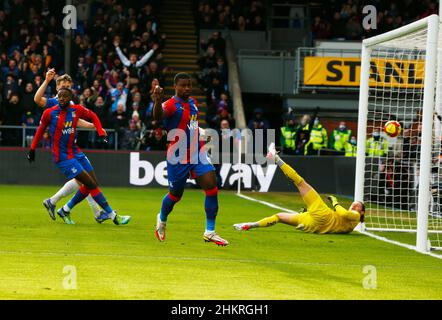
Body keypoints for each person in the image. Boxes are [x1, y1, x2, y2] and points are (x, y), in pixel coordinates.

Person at [27, 88, 131, 226]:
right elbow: (40, 130)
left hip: (75, 151)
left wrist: (100, 131)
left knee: (92, 182)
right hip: (63, 156)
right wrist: (32, 149)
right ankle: (113, 216)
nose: (62, 99)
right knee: (90, 184)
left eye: (65, 96)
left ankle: (65, 209)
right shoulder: (49, 113)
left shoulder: (76, 110)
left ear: (70, 98)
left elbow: (93, 115)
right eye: (60, 96)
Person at [152, 73, 228, 246]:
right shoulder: (170, 104)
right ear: (176, 86)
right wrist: (157, 100)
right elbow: (157, 117)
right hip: (178, 155)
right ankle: (162, 219)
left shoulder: (193, 102)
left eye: (189, 85)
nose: (187, 88)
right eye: (183, 85)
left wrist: (201, 132)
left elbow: (191, 124)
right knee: (175, 195)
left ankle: (210, 231)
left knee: (211, 186)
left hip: (197, 151)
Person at [234, 143, 365, 234]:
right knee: (279, 217)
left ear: (362, 212)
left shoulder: (356, 216)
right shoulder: (349, 226)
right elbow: (339, 222)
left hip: (323, 215)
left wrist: (335, 202)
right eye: (355, 204)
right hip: (316, 226)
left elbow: (344, 213)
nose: (354, 205)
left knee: (300, 182)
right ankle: (249, 225)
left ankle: (276, 158)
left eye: (358, 205)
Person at [33, 69, 103, 221]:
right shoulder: (54, 102)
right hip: (64, 150)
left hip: (73, 147)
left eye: (68, 84)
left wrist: (95, 127)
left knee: (83, 180)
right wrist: (46, 80)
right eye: (62, 84)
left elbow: (77, 122)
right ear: (57, 87)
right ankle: (95, 212)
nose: (66, 87)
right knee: (84, 180)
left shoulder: (71, 103)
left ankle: (55, 203)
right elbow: (37, 99)